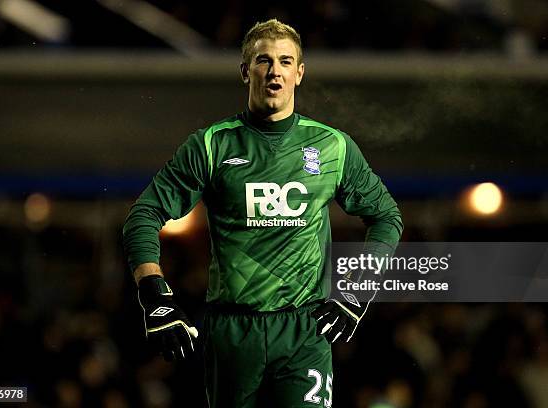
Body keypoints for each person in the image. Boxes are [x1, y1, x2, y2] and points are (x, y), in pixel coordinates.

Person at [123, 18, 403, 408]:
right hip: (233, 332)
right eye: (264, 61)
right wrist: (154, 294)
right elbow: (144, 214)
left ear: (300, 73)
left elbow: (387, 217)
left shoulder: (332, 147)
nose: (275, 71)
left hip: (304, 329)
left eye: (286, 62)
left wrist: (357, 289)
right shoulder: (211, 145)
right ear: (245, 71)